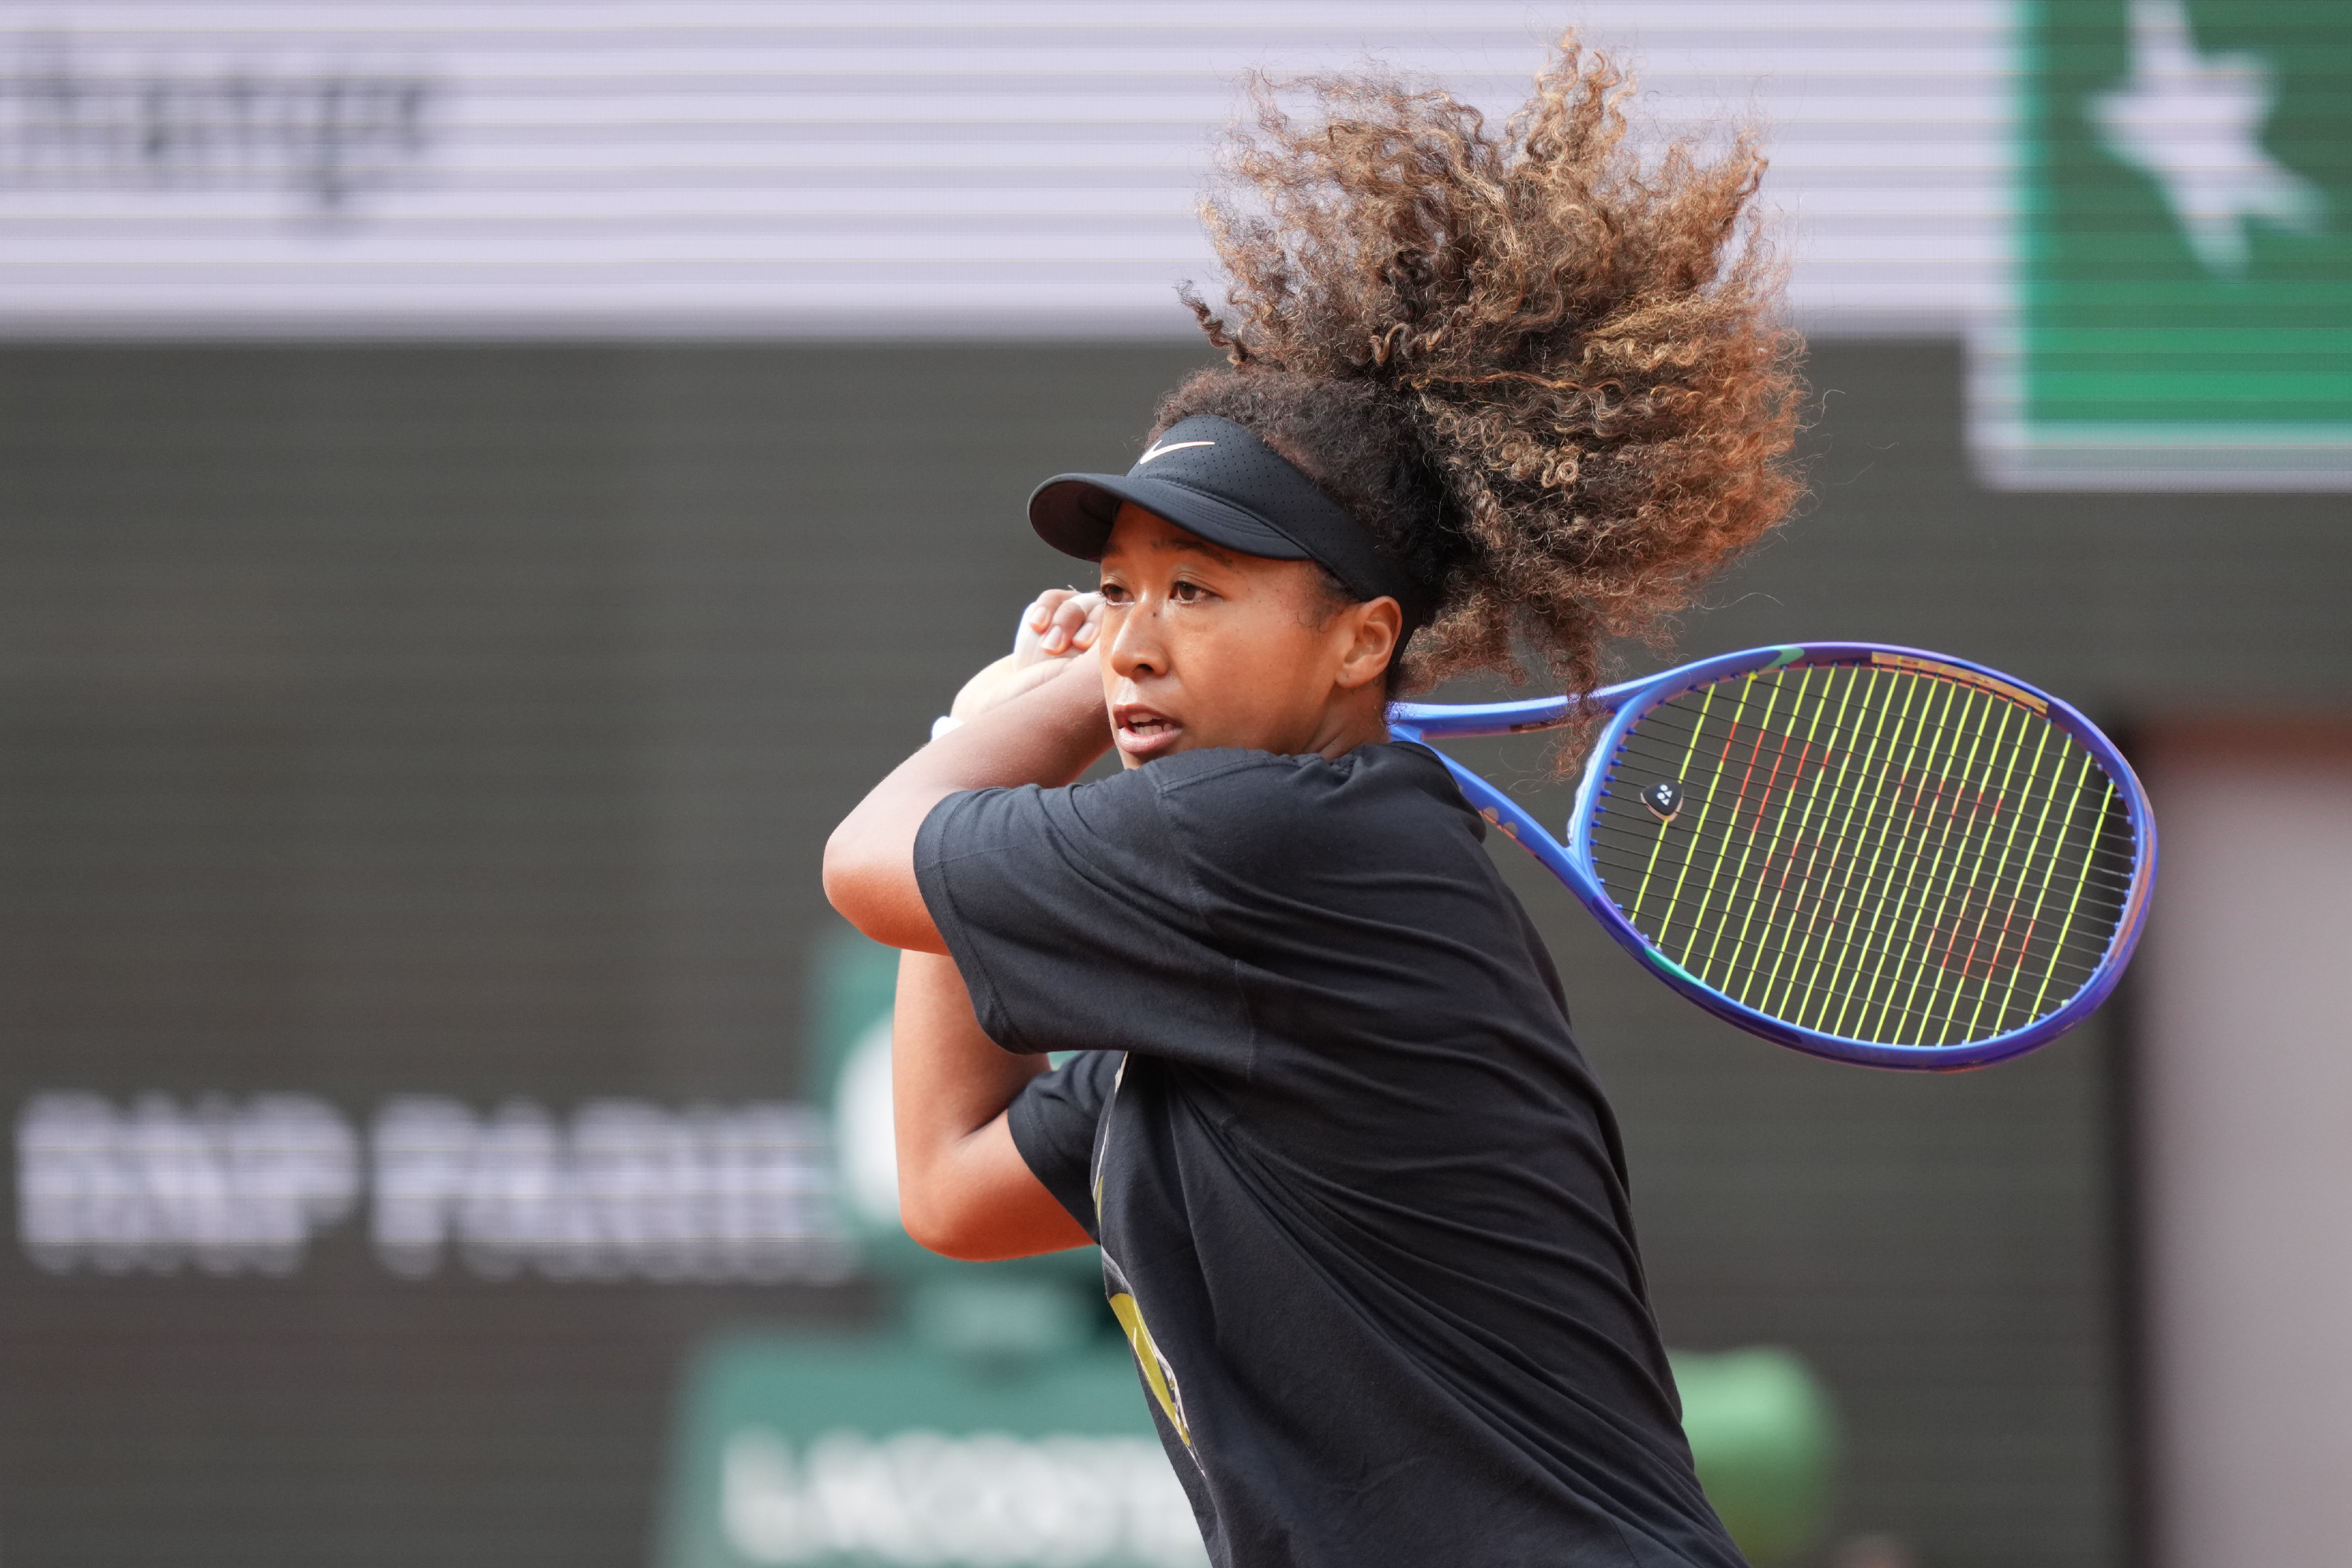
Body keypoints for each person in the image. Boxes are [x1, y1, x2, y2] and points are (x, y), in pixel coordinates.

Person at [825, 36, 1802, 1568]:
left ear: (1364, 639)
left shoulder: (1283, 847)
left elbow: (865, 862)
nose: (1138, 629)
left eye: (1198, 589)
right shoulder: (1225, 982)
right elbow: (948, 1184)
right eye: (1119, 587)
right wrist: (1003, 747)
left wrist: (1023, 717)